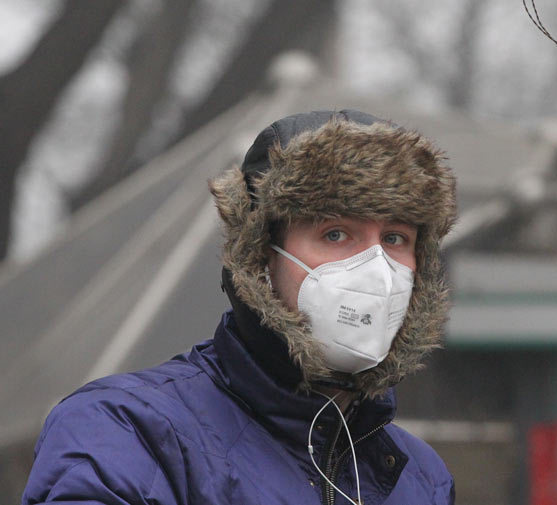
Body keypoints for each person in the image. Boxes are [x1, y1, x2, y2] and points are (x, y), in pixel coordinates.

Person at [22, 110, 458, 504]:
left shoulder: (419, 476)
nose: (374, 269)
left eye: (395, 239)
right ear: (262, 257)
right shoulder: (129, 430)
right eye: (336, 234)